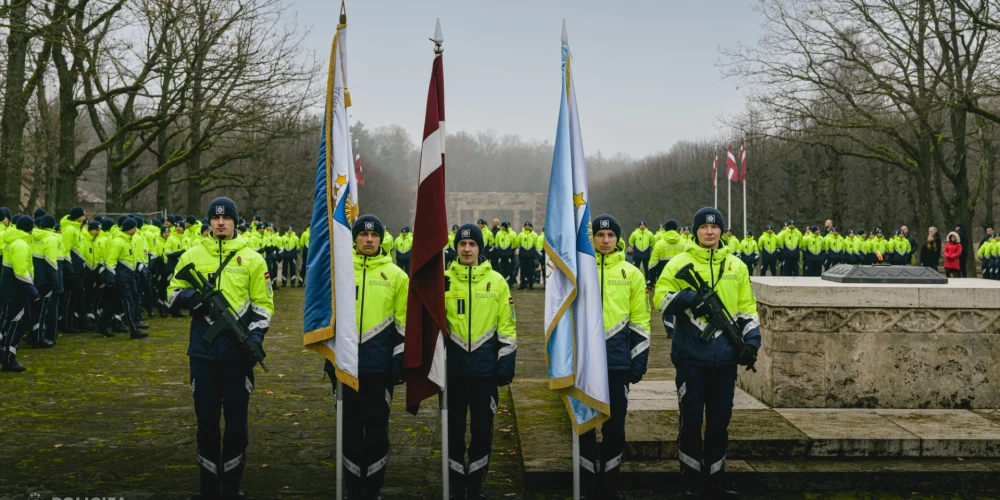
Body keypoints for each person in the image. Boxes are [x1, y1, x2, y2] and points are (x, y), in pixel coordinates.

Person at [168, 197, 274, 499]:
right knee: (206, 424)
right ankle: (208, 487)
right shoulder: (191, 255)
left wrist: (255, 338)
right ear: (209, 222)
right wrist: (193, 299)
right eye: (215, 218)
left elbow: (263, 305)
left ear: (234, 222)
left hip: (237, 357)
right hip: (203, 354)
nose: (221, 222)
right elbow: (171, 293)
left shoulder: (253, 259)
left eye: (226, 218)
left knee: (237, 426)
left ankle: (231, 487)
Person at [653, 207, 761, 499]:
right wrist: (687, 298)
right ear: (696, 231)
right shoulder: (679, 262)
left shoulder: (737, 266)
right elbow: (659, 298)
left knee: (719, 422)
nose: (709, 232)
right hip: (690, 358)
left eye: (714, 227)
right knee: (690, 421)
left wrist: (751, 342)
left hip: (725, 360)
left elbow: (747, 309)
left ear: (722, 231)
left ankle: (715, 480)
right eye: (703, 227)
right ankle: (690, 481)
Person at [324, 214, 407, 500]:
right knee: (348, 430)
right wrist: (329, 356)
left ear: (381, 239)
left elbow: (404, 324)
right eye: (363, 235)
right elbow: (327, 318)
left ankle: (372, 489)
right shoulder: (339, 272)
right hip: (345, 366)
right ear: (355, 238)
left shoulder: (397, 276)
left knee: (376, 431)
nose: (369, 240)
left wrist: (398, 361)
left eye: (374, 235)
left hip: (379, 368)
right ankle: (352, 488)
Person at [444, 224, 516, 500]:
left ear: (479, 248)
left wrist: (505, 364)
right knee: (452, 431)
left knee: (482, 431)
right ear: (456, 247)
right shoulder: (443, 280)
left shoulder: (497, 282)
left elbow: (507, 327)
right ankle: (455, 486)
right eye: (462, 244)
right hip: (452, 371)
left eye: (472, 244)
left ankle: (475, 486)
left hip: (485, 372)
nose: (466, 249)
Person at [581, 215, 650, 500]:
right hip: (584, 365)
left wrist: (639, 360)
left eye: (611, 235)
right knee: (584, 427)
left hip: (617, 363)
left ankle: (609, 486)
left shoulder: (632, 273)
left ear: (618, 239)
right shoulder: (578, 271)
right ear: (592, 238)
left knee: (615, 428)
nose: (606, 240)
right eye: (600, 235)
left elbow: (641, 320)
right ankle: (586, 486)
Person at [1, 216, 40, 371]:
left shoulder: (12, 242)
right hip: (17, 291)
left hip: (10, 289)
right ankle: (9, 359)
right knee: (17, 323)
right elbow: (21, 271)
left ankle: (7, 355)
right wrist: (33, 291)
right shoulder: (21, 245)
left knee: (15, 322)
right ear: (30, 228)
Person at [106, 217, 147, 339]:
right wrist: (111, 277)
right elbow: (111, 260)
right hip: (122, 278)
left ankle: (103, 325)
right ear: (128, 228)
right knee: (129, 303)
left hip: (131, 276)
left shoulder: (132, 241)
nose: (136, 230)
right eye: (133, 227)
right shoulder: (118, 242)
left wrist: (141, 269)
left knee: (126, 302)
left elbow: (135, 258)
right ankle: (134, 330)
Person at [515, 221, 539, 290]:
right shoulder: (521, 234)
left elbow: (536, 244)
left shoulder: (534, 234)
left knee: (531, 270)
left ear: (530, 227)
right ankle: (522, 284)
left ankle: (531, 285)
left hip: (531, 255)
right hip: (523, 255)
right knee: (522, 270)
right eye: (526, 226)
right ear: (524, 227)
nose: (527, 227)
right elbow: (517, 243)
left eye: (528, 226)